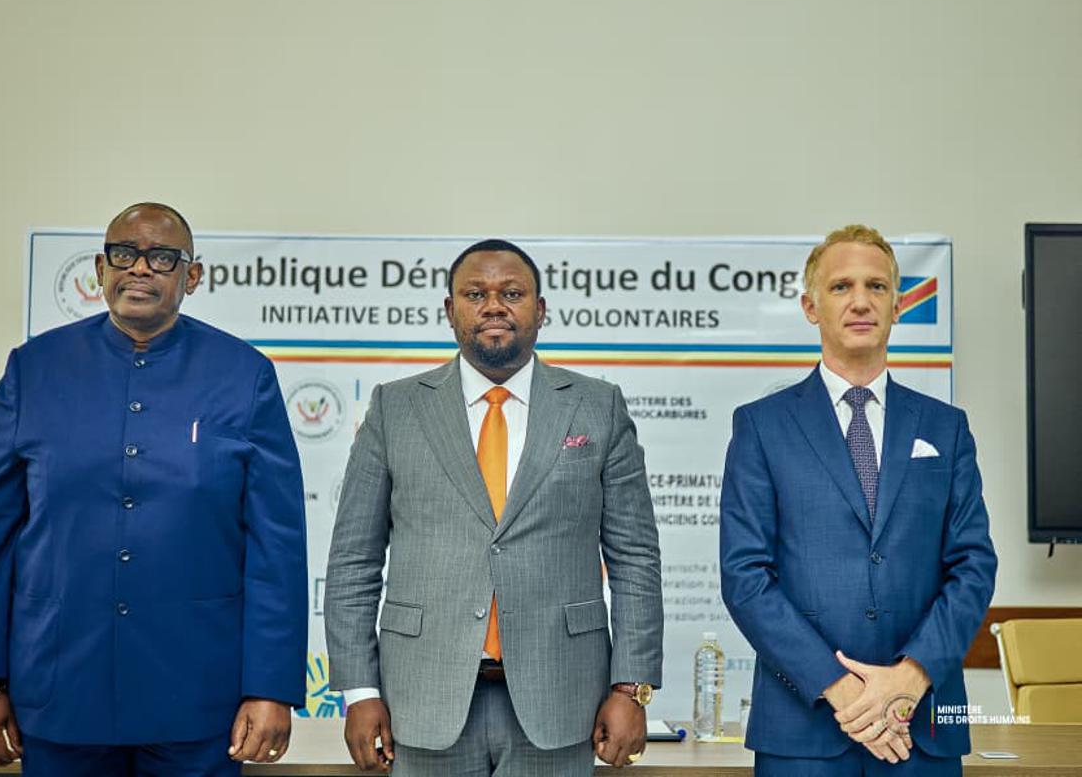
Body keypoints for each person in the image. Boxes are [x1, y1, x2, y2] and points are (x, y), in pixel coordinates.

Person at [0, 202, 308, 776]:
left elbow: (277, 545)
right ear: (101, 269)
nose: (140, 268)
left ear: (192, 277)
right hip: (58, 688)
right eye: (124, 254)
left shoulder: (244, 375)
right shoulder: (33, 370)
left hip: (198, 696)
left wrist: (270, 688)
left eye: (162, 257)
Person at [323, 239, 663, 775]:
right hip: (422, 699)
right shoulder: (396, 407)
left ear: (541, 309)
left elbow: (635, 558)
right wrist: (360, 691)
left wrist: (630, 688)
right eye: (475, 294)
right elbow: (352, 561)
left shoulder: (597, 406)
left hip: (561, 699)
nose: (494, 306)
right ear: (449, 309)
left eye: (512, 293)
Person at [719, 224, 997, 776]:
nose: (861, 301)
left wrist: (911, 677)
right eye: (841, 286)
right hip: (804, 728)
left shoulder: (946, 428)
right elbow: (745, 576)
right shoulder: (762, 427)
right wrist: (844, 691)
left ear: (898, 305)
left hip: (922, 725)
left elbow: (973, 564)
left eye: (876, 286)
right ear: (811, 307)